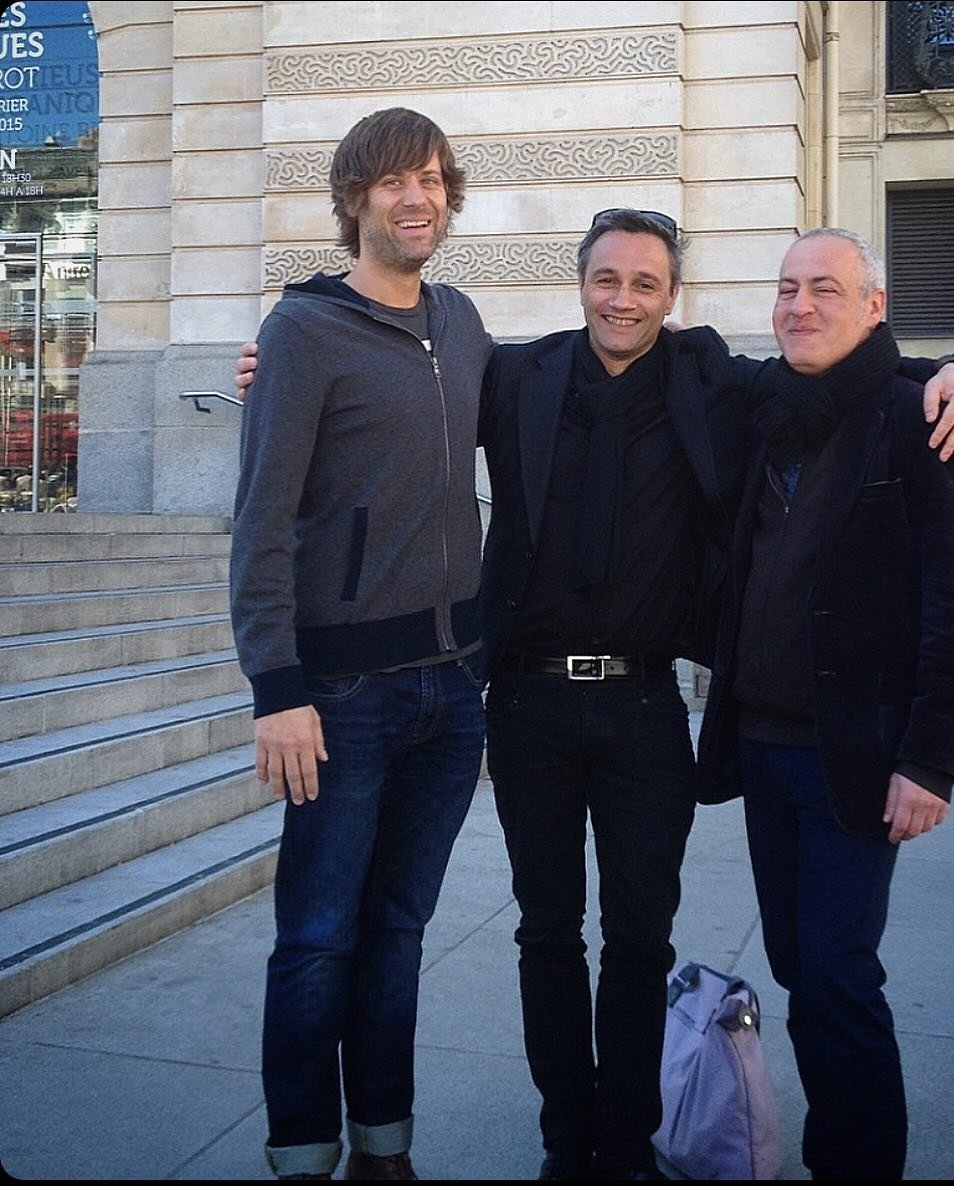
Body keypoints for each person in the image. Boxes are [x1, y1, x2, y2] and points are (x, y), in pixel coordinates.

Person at [236, 210, 954, 1179]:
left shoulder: (710, 377)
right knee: (545, 933)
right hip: (528, 707)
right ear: (580, 283)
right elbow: (391, 383)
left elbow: (844, 364)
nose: (621, 299)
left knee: (641, 939)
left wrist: (949, 372)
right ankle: (565, 1138)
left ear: (669, 296)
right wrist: (275, 366)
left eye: (643, 283)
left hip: (643, 712)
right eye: (605, 280)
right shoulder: (516, 375)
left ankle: (626, 1141)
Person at [697, 228, 954, 1181]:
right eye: (787, 288)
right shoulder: (765, 407)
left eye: (826, 289)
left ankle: (859, 1164)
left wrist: (932, 758)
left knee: (836, 975)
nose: (799, 305)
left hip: (861, 760)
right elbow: (659, 347)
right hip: (764, 746)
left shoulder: (921, 416)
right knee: (799, 967)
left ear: (874, 306)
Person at [229, 107, 493, 1182]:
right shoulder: (300, 331)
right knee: (318, 938)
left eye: (430, 177)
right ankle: (301, 1150)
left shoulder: (463, 322)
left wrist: (917, 369)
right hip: (338, 693)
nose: (414, 196)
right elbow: (261, 519)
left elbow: (591, 384)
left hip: (451, 691)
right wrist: (275, 685)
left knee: (397, 934)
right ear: (354, 198)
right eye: (391, 180)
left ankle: (384, 1146)